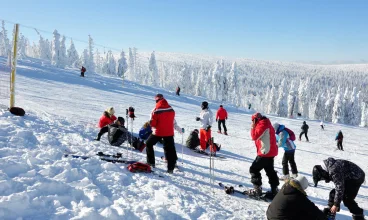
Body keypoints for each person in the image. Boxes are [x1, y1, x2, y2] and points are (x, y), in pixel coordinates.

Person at [146, 94, 182, 173]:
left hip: (158, 132)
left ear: (156, 100)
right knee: (170, 149)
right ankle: (171, 168)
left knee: (148, 143)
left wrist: (150, 123)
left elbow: (154, 124)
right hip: (169, 133)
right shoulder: (171, 108)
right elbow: (173, 121)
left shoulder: (155, 109)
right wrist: (179, 130)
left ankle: (151, 163)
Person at [246, 112, 279, 198]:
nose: (252, 122)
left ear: (256, 119)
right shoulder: (266, 123)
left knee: (254, 169)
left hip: (265, 153)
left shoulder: (262, 124)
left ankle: (257, 190)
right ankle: (274, 189)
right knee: (270, 171)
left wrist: (252, 127)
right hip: (270, 152)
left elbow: (254, 136)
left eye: (253, 120)